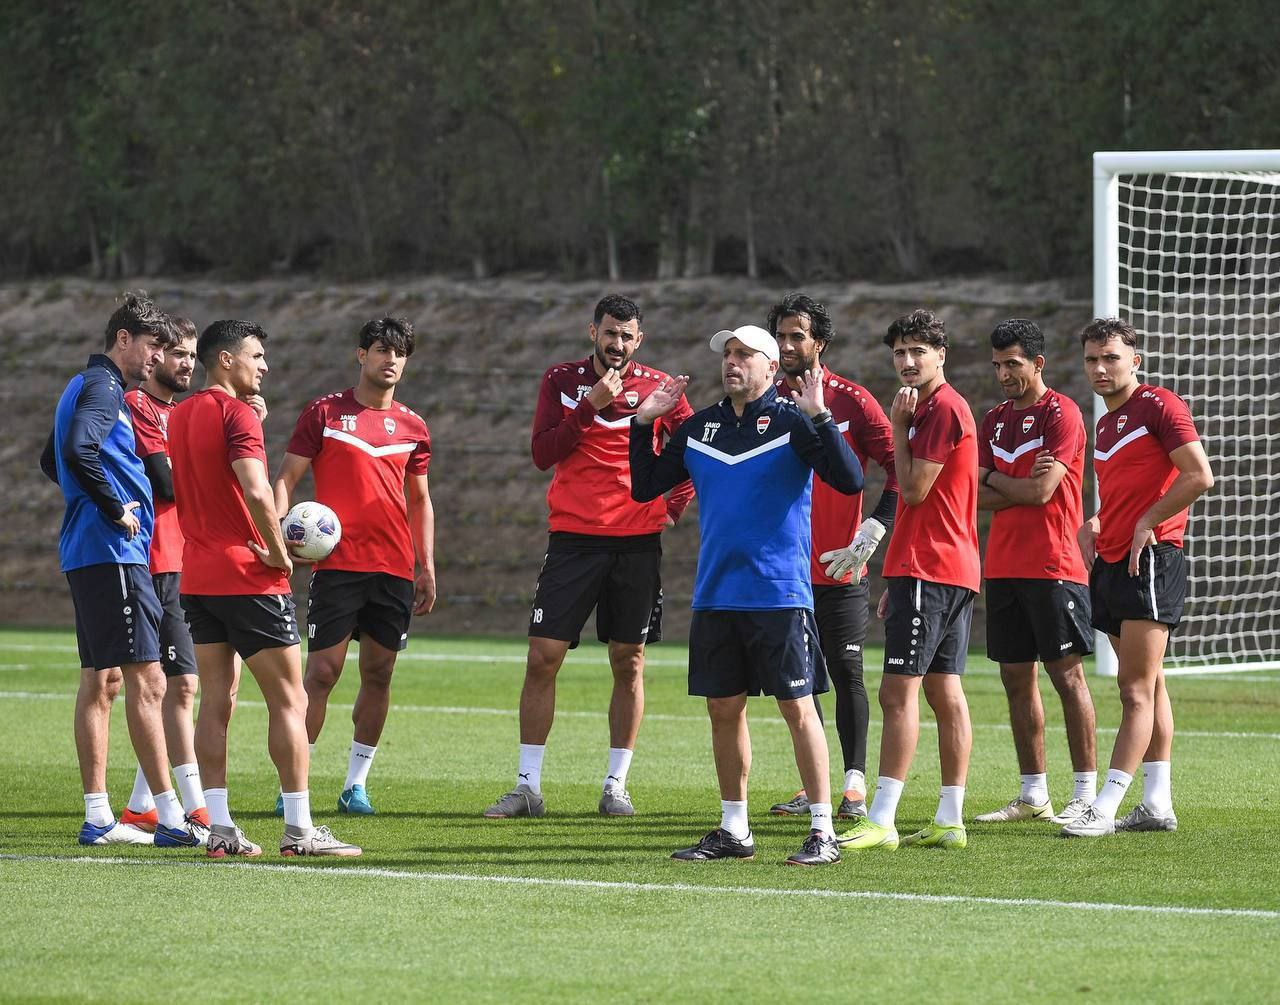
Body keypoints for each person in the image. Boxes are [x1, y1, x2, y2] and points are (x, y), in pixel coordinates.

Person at [630, 324, 864, 867]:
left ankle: (823, 830)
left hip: (779, 594)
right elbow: (645, 486)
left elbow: (850, 479)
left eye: (743, 355)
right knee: (723, 708)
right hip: (717, 594)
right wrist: (643, 425)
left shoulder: (792, 422)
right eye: (726, 355)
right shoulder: (699, 428)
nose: (731, 362)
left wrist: (821, 416)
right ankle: (734, 829)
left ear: (767, 366)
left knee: (797, 708)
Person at [484, 294, 694, 820]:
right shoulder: (562, 381)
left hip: (637, 545)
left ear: (638, 340)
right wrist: (591, 404)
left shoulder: (660, 388)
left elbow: (694, 451)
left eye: (626, 336)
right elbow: (542, 454)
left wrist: (672, 506)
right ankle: (527, 787)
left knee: (629, 662)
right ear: (592, 332)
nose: (617, 343)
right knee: (542, 657)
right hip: (574, 540)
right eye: (609, 333)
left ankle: (615, 784)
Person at [169, 319, 360, 858]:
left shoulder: (180, 415)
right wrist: (278, 553)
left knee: (215, 700)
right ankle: (299, 829)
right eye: (256, 356)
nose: (265, 365)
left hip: (199, 575)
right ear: (226, 360)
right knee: (290, 699)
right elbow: (256, 490)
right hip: (249, 577)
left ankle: (222, 828)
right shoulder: (235, 416)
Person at [39, 292, 201, 848]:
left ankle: (99, 817)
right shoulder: (107, 387)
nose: (158, 357)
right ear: (124, 340)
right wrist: (115, 508)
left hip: (89, 551)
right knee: (149, 680)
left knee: (100, 680)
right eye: (153, 345)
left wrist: (90, 503)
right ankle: (170, 819)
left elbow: (51, 458)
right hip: (113, 552)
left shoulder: (82, 385)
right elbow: (79, 450)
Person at [274, 317, 435, 816]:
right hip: (337, 568)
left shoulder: (413, 426)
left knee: (380, 674)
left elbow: (420, 501)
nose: (391, 360)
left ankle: (355, 786)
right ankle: (292, 788)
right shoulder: (324, 413)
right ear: (360, 355)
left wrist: (425, 565)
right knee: (321, 673)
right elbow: (287, 479)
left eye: (399, 353)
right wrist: (280, 533)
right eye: (382, 350)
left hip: (392, 568)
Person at [1062, 318, 1213, 837]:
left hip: (1151, 560)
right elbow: (1125, 492)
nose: (1100, 368)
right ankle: (1156, 804)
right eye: (1091, 359)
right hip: (1113, 560)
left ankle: (1103, 805)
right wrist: (1099, 522)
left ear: (1135, 360)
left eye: (1111, 357)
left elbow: (1199, 475)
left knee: (1133, 691)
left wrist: (1149, 521)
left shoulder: (1160, 406)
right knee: (1152, 686)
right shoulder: (1105, 422)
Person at [838, 309, 979, 853]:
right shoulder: (933, 408)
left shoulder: (939, 408)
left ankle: (882, 817)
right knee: (946, 691)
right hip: (942, 568)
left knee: (897, 693)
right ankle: (950, 818)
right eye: (899, 352)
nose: (908, 360)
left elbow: (915, 492)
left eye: (919, 350)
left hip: (932, 567)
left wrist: (896, 428)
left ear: (941, 355)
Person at [766, 293, 898, 821]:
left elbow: (899, 470)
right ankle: (814, 781)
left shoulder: (853, 400)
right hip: (787, 568)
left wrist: (874, 529)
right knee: (802, 677)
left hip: (842, 567)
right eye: (781, 336)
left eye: (798, 335)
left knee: (846, 672)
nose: (788, 345)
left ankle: (853, 783)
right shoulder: (767, 401)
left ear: (820, 341)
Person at [974, 319, 1098, 827]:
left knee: (1066, 677)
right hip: (1002, 566)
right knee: (1014, 679)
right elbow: (972, 498)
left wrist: (995, 480)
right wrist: (1011, 481)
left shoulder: (1061, 413)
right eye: (998, 364)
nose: (1004, 373)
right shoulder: (992, 420)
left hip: (1054, 564)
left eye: (1014, 364)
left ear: (1037, 363)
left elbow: (1041, 493)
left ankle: (1086, 793)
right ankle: (1033, 794)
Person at [117, 316, 210, 838]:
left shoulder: (187, 412)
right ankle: (195, 811)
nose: (186, 364)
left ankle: (140, 807)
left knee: (178, 687)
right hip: (151, 560)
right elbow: (166, 483)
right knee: (176, 686)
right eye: (177, 353)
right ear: (154, 357)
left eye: (193, 355)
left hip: (182, 559)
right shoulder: (139, 407)